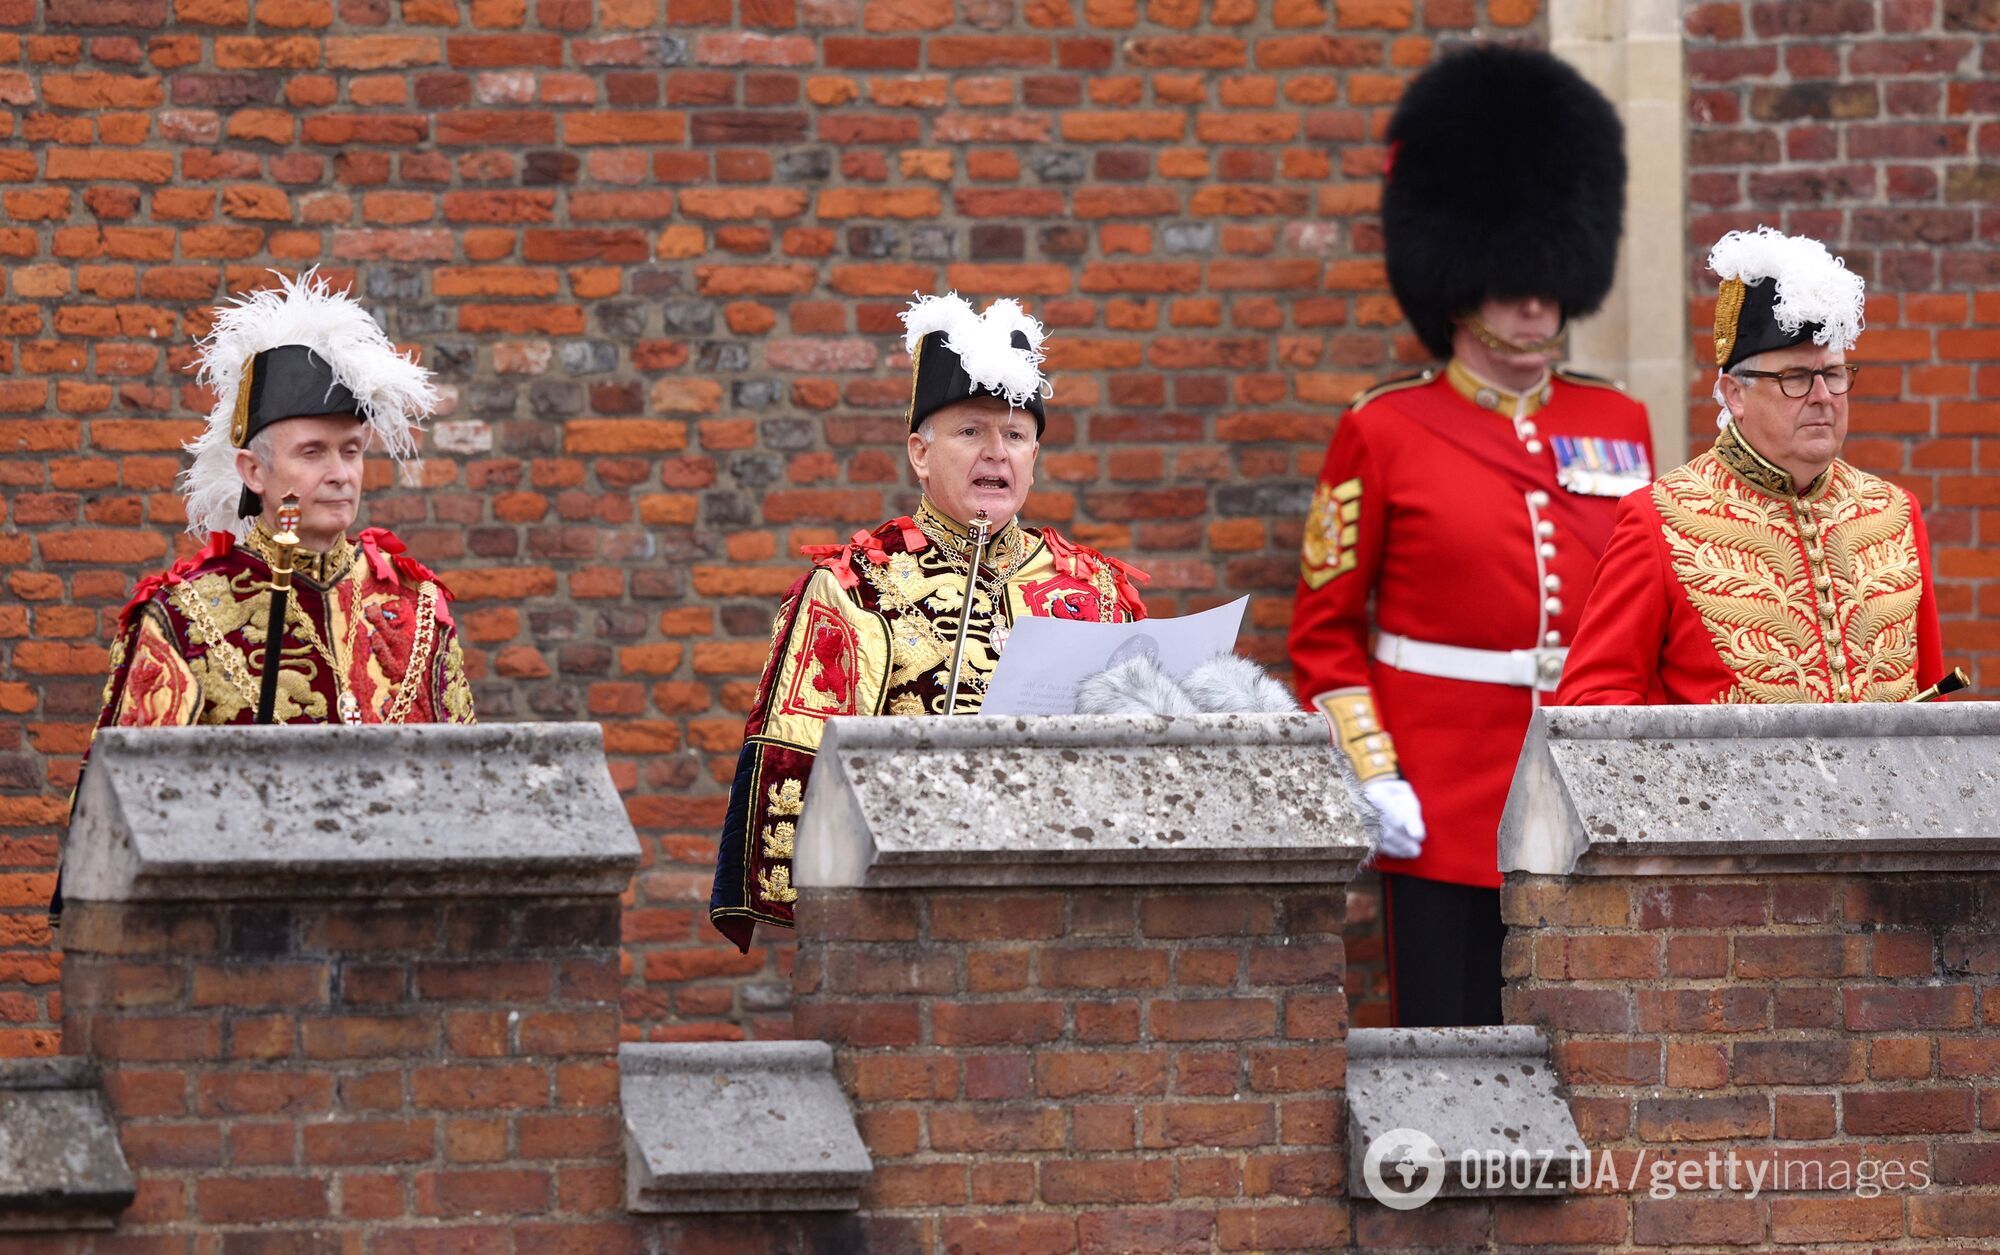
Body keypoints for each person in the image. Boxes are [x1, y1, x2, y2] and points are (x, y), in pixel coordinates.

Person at [1286, 45, 1654, 1027]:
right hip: (1441, 804)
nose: (1534, 300)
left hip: (1583, 785)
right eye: (1507, 278)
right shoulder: (1383, 431)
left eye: (1546, 277)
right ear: (1454, 281)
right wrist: (1373, 771)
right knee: (1444, 1048)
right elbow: (1322, 636)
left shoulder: (1617, 424)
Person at [709, 293, 1148, 950]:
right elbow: (797, 784)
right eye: (971, 431)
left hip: (1072, 933)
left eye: (1016, 435)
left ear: (1034, 457)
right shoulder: (855, 588)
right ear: (921, 452)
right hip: (907, 935)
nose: (997, 453)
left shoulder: (1098, 590)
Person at [1557, 227, 1946, 705]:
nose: (1823, 397)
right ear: (1735, 394)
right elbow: (1594, 703)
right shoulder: (1658, 520)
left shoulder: (1894, 514)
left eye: (1833, 373)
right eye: (1796, 377)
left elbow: (1932, 704)